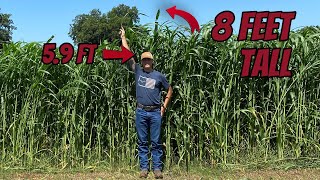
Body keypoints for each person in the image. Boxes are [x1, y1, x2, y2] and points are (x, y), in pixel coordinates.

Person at [119, 26, 173, 179]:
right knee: (142, 142)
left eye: (148, 59)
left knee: (155, 142)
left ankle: (157, 169)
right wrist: (123, 37)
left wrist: (164, 106)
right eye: (144, 59)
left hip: (155, 112)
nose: (146, 61)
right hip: (141, 111)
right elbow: (129, 55)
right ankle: (144, 169)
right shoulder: (138, 71)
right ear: (142, 62)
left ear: (152, 61)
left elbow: (170, 90)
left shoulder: (159, 76)